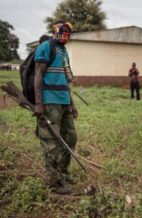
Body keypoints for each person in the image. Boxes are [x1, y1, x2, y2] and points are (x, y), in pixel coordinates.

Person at [34, 21, 78, 194]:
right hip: (49, 102)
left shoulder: (64, 51)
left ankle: (63, 173)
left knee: (71, 138)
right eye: (63, 32)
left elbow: (65, 82)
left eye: (68, 33)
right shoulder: (46, 47)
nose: (66, 35)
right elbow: (38, 75)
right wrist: (39, 103)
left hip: (64, 102)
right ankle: (54, 182)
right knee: (52, 142)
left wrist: (72, 104)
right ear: (56, 32)